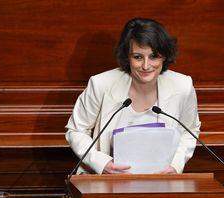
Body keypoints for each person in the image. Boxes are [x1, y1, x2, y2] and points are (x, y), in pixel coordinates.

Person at [65, 17, 201, 174]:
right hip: (107, 182)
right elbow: (76, 131)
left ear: (164, 56)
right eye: (138, 57)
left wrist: (175, 166)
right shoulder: (101, 84)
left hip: (160, 181)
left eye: (154, 56)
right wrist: (103, 164)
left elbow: (190, 131)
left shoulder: (182, 85)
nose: (145, 65)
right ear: (127, 57)